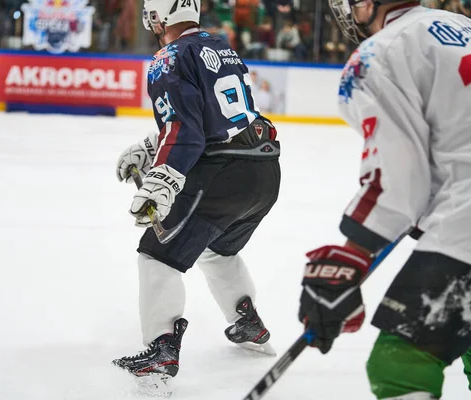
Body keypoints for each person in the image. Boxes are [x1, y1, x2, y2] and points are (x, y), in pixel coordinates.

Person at [297, 0, 471, 398]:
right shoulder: (461, 25)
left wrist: (352, 255)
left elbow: (397, 181)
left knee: (399, 365)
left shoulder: (380, 52)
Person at [112, 0, 282, 394]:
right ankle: (247, 321)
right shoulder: (220, 45)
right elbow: (218, 119)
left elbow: (184, 131)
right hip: (264, 171)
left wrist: (163, 178)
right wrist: (152, 145)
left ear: (158, 16)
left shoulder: (168, 57)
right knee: (217, 250)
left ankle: (161, 349)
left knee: (157, 254)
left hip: (222, 176)